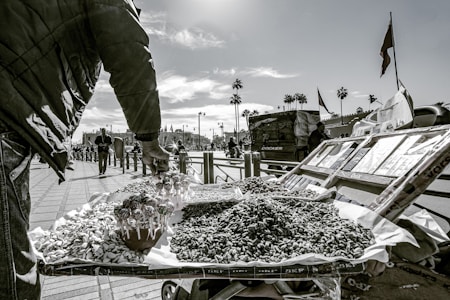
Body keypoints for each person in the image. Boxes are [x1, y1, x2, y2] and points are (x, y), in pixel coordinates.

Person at [0, 1, 170, 299]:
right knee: (11, 273)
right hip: (8, 113)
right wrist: (148, 139)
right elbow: (128, 51)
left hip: (13, 108)